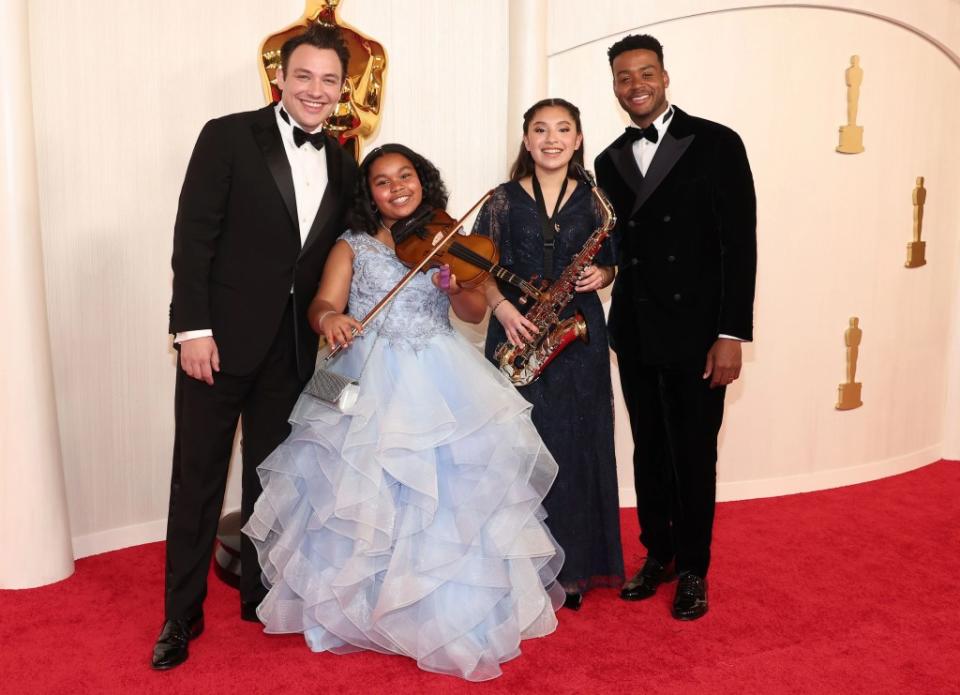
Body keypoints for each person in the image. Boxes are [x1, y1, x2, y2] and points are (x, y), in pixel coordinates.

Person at [241, 144, 564, 682]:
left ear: (423, 180)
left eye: (405, 176)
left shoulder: (449, 241)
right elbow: (322, 303)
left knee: (439, 487)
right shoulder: (352, 246)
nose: (396, 187)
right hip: (354, 368)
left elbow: (471, 311)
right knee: (338, 478)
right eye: (382, 181)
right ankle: (358, 605)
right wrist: (330, 322)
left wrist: (457, 284)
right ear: (369, 195)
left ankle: (432, 608)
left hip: (436, 365)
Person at [153, 24, 359, 670]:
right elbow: (193, 237)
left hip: (293, 354)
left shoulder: (346, 160)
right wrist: (192, 330)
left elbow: (350, 250)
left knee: (273, 482)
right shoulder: (228, 135)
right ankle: (179, 616)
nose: (315, 90)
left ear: (342, 88)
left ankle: (260, 596)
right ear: (281, 76)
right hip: (215, 345)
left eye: (329, 80)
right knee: (198, 484)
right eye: (305, 76)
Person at [594, 34, 757, 620]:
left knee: (694, 453)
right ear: (614, 85)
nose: (635, 86)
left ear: (665, 76)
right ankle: (657, 552)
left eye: (645, 74)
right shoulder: (607, 159)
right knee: (649, 451)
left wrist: (732, 333)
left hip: (699, 333)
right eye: (623, 77)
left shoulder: (716, 142)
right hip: (635, 329)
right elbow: (616, 244)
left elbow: (739, 244)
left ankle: (693, 568)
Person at [474, 98, 624, 610]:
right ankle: (518, 567)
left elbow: (614, 260)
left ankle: (574, 568)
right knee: (515, 450)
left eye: (563, 129)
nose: (552, 138)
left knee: (576, 448)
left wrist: (605, 274)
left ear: (579, 139)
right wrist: (501, 310)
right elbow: (476, 270)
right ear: (526, 140)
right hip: (516, 332)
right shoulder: (499, 200)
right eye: (540, 129)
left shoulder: (597, 202)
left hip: (578, 337)